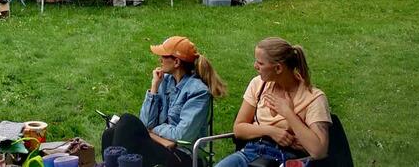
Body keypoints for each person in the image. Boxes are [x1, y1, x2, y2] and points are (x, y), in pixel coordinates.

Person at [102, 36, 227, 167]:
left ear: (176, 62)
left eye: (163, 56)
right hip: (160, 144)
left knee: (128, 121)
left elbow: (182, 135)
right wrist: (154, 87)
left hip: (182, 155)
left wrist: (155, 128)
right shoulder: (165, 81)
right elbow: (146, 122)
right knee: (109, 134)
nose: (159, 60)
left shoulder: (198, 92)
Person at [216, 38, 331, 166]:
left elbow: (319, 151)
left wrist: (288, 113)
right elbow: (239, 129)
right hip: (251, 152)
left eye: (260, 63)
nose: (255, 66)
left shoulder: (314, 98)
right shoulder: (258, 84)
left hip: (287, 159)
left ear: (278, 68)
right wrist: (271, 131)